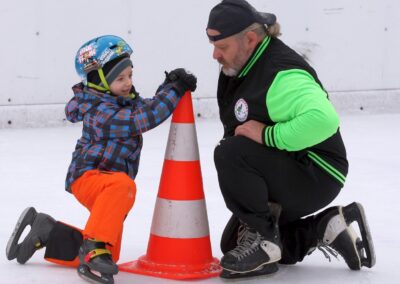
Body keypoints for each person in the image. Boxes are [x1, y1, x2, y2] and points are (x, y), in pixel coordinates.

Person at [6, 35, 197, 284]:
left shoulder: (121, 100)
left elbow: (147, 106)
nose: (128, 83)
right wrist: (174, 91)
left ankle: (48, 231)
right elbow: (142, 119)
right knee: (122, 188)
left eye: (130, 75)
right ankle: (93, 246)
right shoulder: (99, 110)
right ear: (99, 81)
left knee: (109, 253)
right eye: (120, 78)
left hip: (110, 184)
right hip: (89, 177)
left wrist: (168, 85)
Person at [206, 0, 376, 279]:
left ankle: (264, 239)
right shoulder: (246, 64)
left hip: (316, 171)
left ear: (249, 39)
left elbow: (324, 120)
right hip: (294, 167)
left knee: (231, 152)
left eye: (222, 47)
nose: (214, 54)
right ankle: (326, 228)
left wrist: (267, 134)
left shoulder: (280, 74)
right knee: (233, 245)